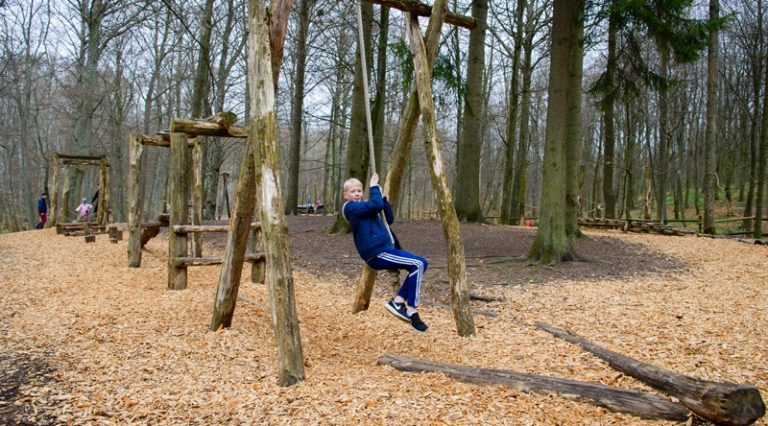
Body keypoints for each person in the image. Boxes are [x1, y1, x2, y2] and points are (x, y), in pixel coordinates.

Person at [342, 173, 429, 332]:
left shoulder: (368, 206)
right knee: (419, 263)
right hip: (377, 252)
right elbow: (375, 206)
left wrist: (383, 198)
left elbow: (388, 218)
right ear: (346, 195)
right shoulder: (350, 208)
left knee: (419, 264)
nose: (357, 194)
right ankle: (411, 310)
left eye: (359, 191)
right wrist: (374, 186)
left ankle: (399, 301)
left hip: (386, 248)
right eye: (353, 191)